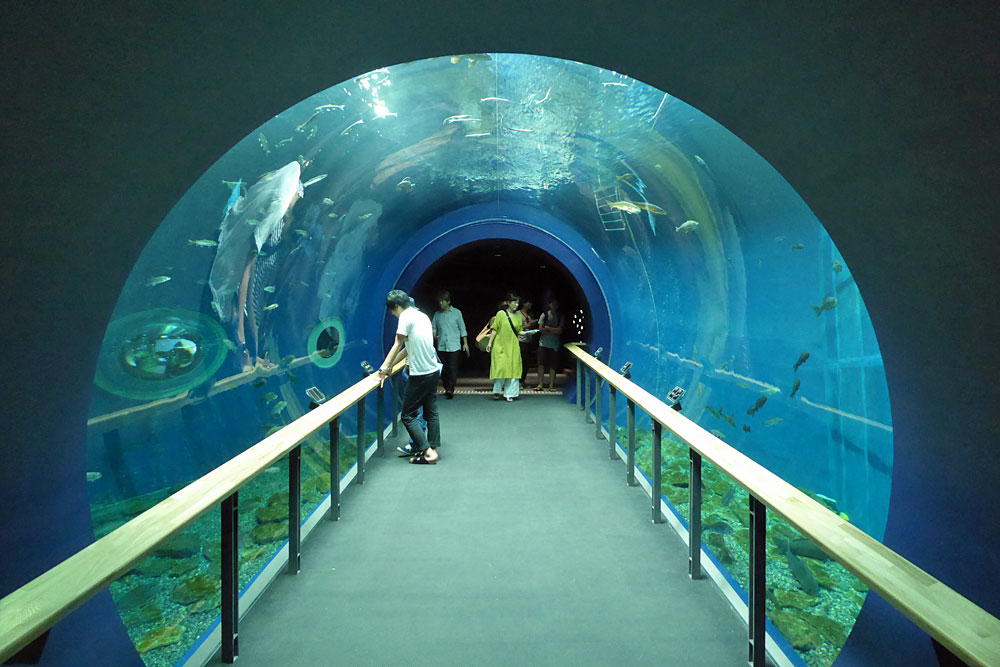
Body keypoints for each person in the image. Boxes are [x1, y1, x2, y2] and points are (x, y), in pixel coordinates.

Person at [376, 290, 442, 464]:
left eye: (392, 310)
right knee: (431, 412)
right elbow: (407, 348)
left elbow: (397, 344)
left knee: (407, 415)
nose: (393, 314)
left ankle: (427, 452)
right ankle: (433, 449)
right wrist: (389, 366)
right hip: (433, 370)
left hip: (420, 374)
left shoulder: (405, 317)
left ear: (397, 306)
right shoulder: (422, 316)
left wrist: (383, 370)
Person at [432, 290, 469, 399]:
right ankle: (446, 385)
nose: (440, 303)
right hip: (442, 345)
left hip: (454, 345)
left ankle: (450, 388)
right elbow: (433, 327)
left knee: (453, 367)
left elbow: (462, 328)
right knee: (443, 368)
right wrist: (434, 334)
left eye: (442, 301)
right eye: (439, 301)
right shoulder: (437, 314)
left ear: (448, 301)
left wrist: (465, 343)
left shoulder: (457, 313)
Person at [486, 292, 523, 402]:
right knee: (501, 369)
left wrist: (530, 332)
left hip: (513, 346)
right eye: (514, 302)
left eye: (517, 303)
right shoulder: (501, 314)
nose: (516, 305)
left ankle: (510, 394)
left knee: (513, 369)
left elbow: (519, 331)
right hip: (500, 345)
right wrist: (489, 343)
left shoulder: (518, 316)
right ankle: (497, 391)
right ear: (508, 303)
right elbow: (494, 329)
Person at [535, 297, 564, 391]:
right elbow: (541, 329)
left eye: (556, 304)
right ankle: (540, 384)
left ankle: (551, 385)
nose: (554, 305)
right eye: (552, 303)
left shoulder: (560, 316)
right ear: (549, 304)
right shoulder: (544, 315)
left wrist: (549, 329)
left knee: (553, 366)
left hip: (554, 345)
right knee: (541, 364)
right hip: (543, 344)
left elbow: (560, 330)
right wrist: (554, 330)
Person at [517, 299, 538, 388]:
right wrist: (529, 325)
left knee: (526, 362)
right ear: (524, 303)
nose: (530, 304)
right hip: (520, 340)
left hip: (528, 340)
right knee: (520, 362)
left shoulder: (530, 315)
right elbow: (517, 327)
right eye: (528, 302)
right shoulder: (518, 314)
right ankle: (517, 381)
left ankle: (523, 380)